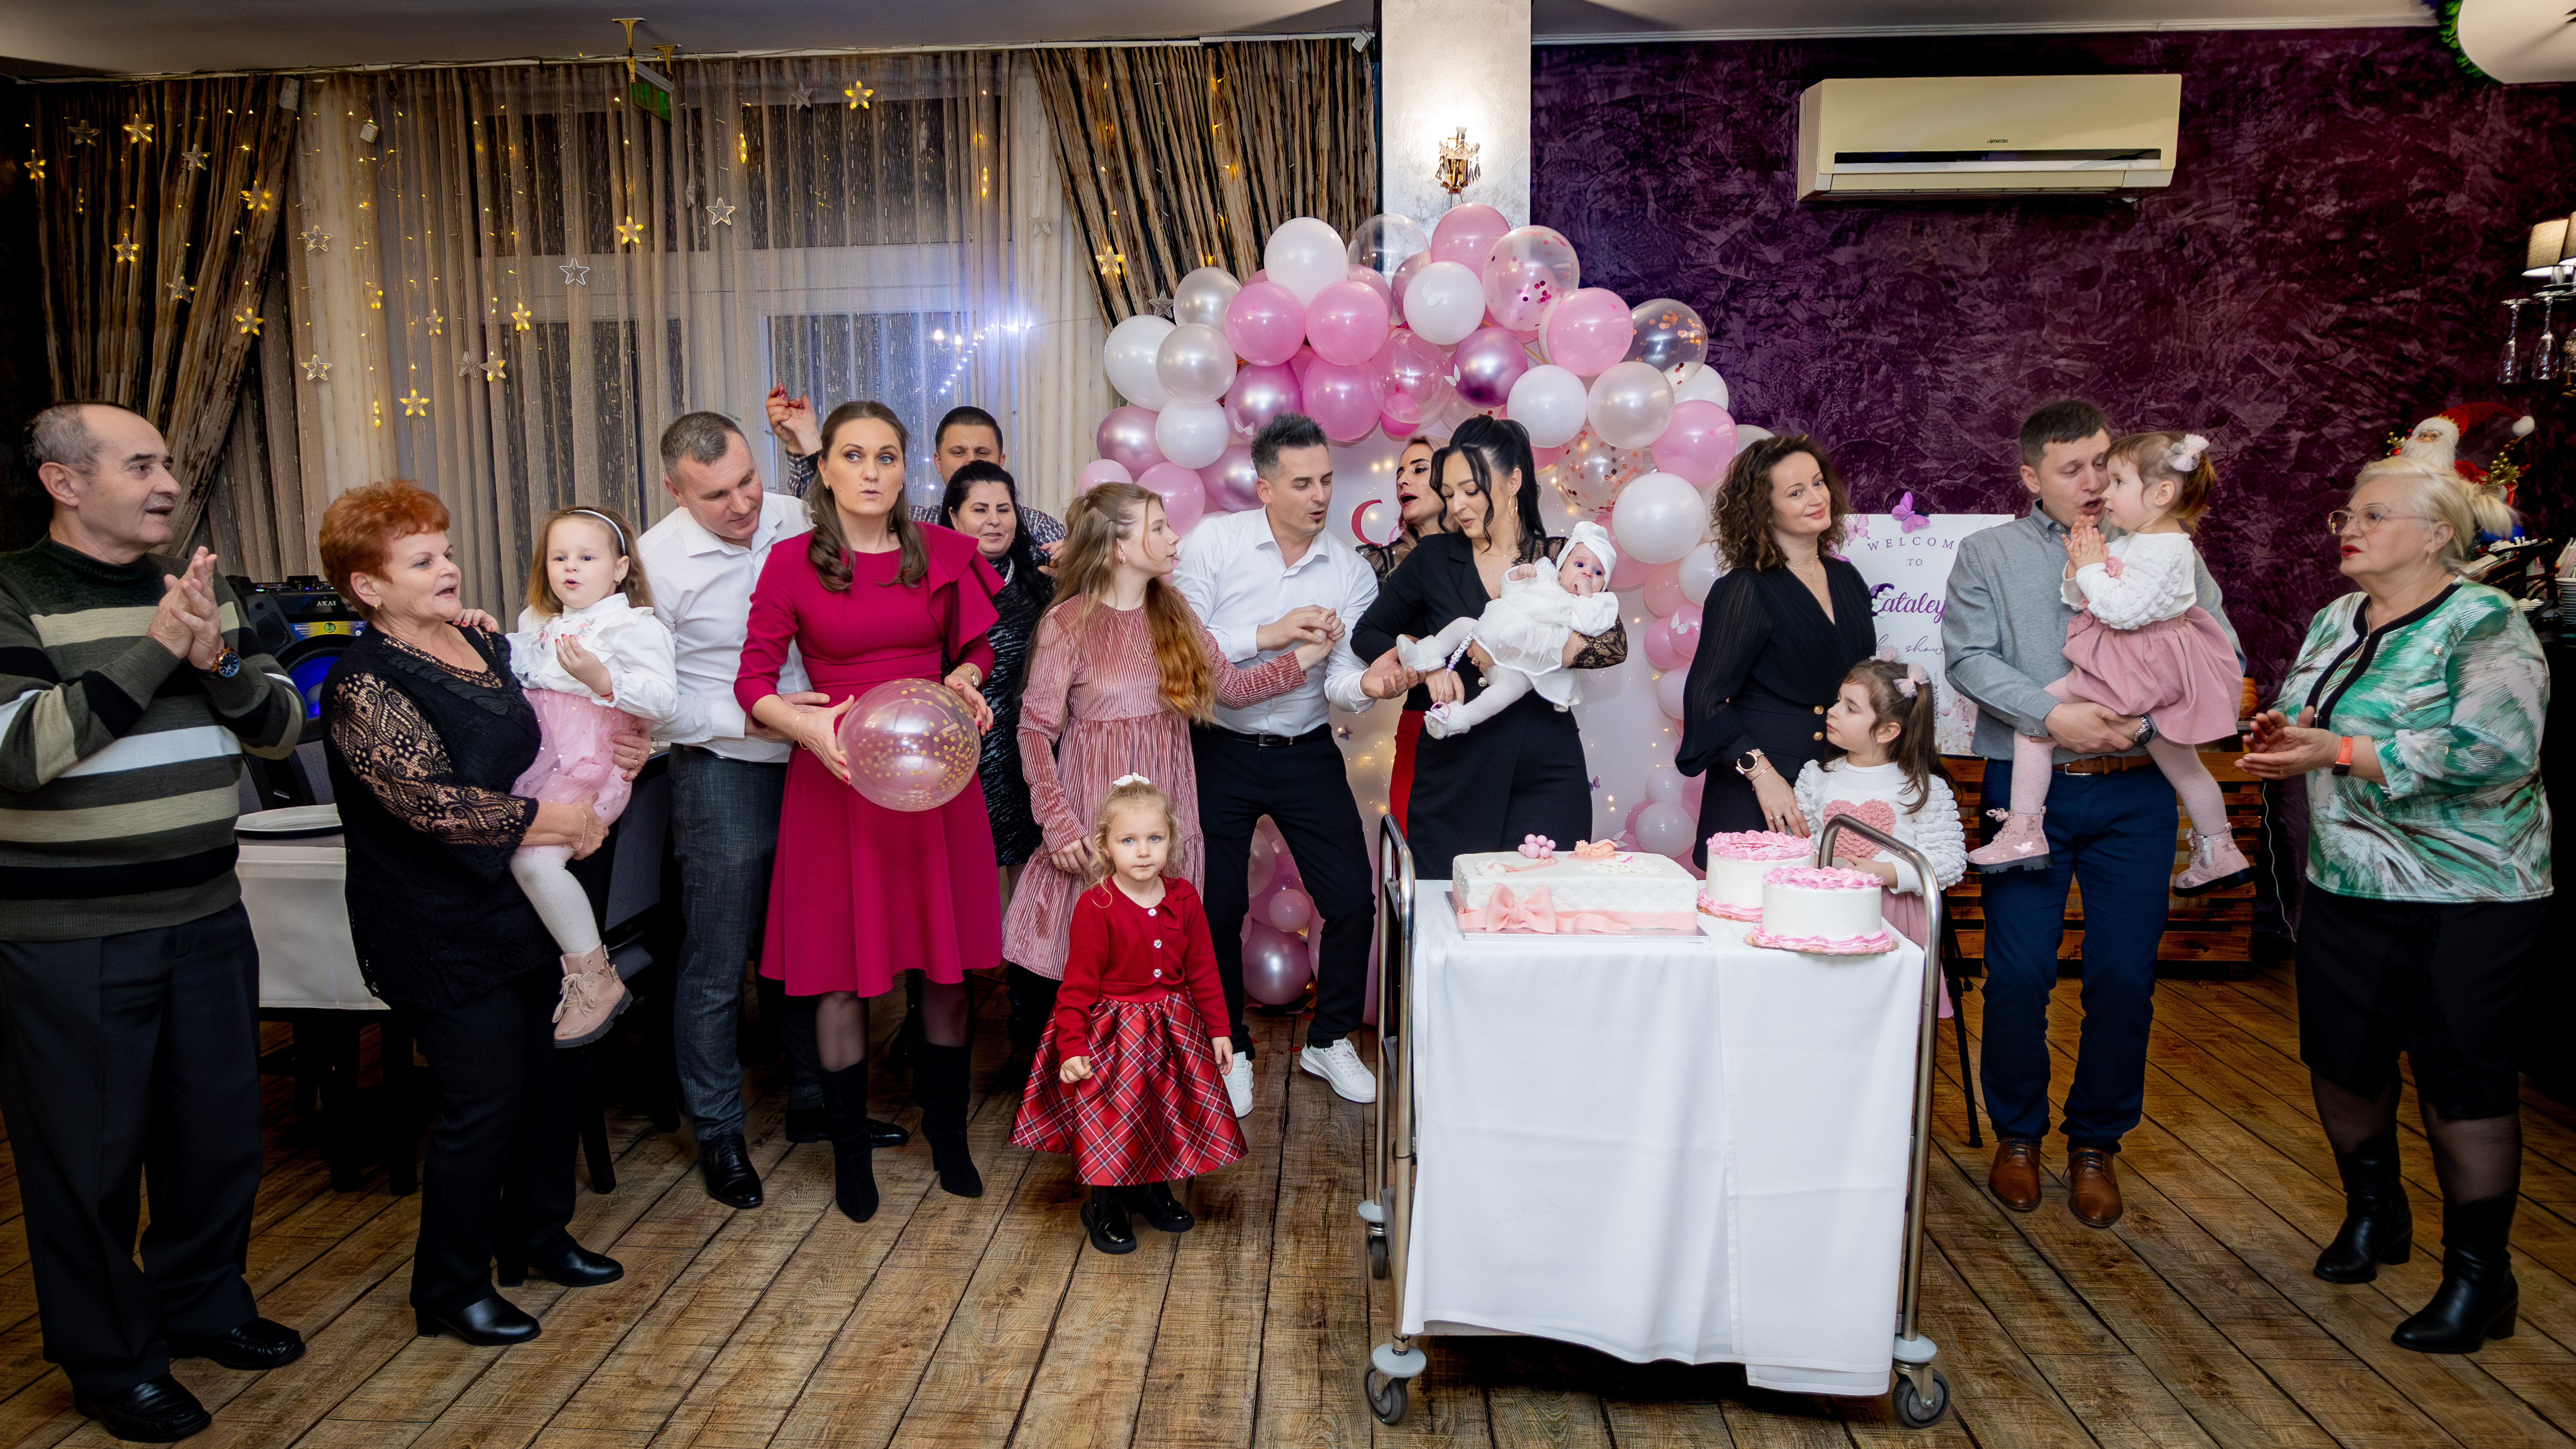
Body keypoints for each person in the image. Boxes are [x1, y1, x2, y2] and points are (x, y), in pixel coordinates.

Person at [0, 401, 307, 1442]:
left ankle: (204, 1304)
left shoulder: (203, 586)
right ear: (64, 481)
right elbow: (21, 753)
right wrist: (155, 649)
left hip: (208, 910)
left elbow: (283, 727)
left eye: (168, 462)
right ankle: (112, 1361)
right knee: (85, 1161)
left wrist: (216, 659)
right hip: (69, 935)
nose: (169, 482)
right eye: (140, 465)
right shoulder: (12, 593)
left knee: (215, 1136)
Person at [318, 480, 638, 1350]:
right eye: (422, 559)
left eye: (447, 550)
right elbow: (430, 803)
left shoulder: (486, 645)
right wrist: (558, 821)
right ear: (369, 586)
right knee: (484, 1098)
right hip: (434, 919)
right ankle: (449, 1288)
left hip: (518, 901)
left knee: (554, 1079)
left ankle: (536, 1236)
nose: (448, 567)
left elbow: (558, 727)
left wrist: (625, 743)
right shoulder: (363, 682)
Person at [2239, 457, 2546, 1355]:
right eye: (2348, 512)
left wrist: (2335, 750)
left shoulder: (2485, 620)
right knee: (2344, 1062)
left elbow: (2497, 749)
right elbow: (2307, 707)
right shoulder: (2336, 617)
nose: (2350, 526)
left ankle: (2481, 1277)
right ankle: (2377, 1214)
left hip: (2469, 891)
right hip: (2347, 880)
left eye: (2375, 514)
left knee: (2462, 1082)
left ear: (2440, 532)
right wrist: (2285, 732)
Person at [1941, 399, 2239, 1231]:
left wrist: (2142, 723)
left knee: (2122, 976)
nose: (2096, 481)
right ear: (2030, 476)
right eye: (2072, 468)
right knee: (2019, 973)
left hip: (2137, 790)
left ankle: (2096, 1143)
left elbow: (2219, 649)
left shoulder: (2166, 547)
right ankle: (2018, 1134)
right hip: (2027, 786)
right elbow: (1967, 658)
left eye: (2105, 463)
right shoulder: (1988, 553)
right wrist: (2053, 715)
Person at [737, 400, 1002, 1225]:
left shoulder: (945, 551)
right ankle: (851, 1155)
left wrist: (964, 678)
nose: (871, 471)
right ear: (823, 469)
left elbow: (978, 646)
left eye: (886, 456)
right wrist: (804, 726)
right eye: (852, 455)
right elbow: (751, 685)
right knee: (839, 978)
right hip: (838, 782)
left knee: (947, 974)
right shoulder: (790, 563)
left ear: (903, 469)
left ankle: (949, 1139)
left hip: (933, 784)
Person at [638, 412, 902, 1214]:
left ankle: (817, 1103)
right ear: (674, 490)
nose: (743, 504)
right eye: (716, 495)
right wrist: (752, 718)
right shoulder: (653, 563)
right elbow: (652, 698)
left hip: (827, 767)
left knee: (809, 945)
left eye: (748, 480)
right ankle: (719, 1131)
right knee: (718, 963)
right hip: (730, 767)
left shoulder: (793, 515)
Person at [1004, 483, 1328, 1108]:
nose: (1174, 536)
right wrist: (1058, 822)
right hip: (1096, 822)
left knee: (1157, 970)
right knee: (1093, 970)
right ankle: (1088, 1113)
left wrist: (1308, 656)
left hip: (1163, 818)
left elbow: (1232, 688)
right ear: (1117, 545)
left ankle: (1149, 1113)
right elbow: (1034, 730)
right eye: (1157, 527)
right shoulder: (1067, 622)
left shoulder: (1172, 609)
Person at [1175, 413, 1414, 1113]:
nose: (1320, 495)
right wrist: (1272, 632)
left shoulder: (1349, 570)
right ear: (1264, 487)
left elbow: (1339, 679)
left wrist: (1369, 686)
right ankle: (1231, 1048)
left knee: (1352, 899)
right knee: (1216, 905)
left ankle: (1329, 1038)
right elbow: (1185, 641)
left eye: (1327, 480)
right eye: (1303, 482)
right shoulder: (1214, 542)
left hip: (1307, 749)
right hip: (1216, 743)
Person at [1967, 432, 2250, 894]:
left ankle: (2024, 831)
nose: (2103, 489)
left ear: (2161, 492)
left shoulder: (2169, 549)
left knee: (2034, 727)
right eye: (2078, 471)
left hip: (2133, 669)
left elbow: (2120, 611)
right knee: (2184, 766)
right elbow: (2084, 598)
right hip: (2142, 669)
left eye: (2117, 480)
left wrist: (2092, 569)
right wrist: (2080, 567)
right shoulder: (2142, 541)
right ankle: (2220, 851)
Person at [1354, 416, 1625, 880]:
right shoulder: (1434, 558)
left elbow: (1611, 641)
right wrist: (1428, 667)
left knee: (1547, 903)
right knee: (1451, 902)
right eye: (1449, 492)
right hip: (1455, 764)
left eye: (1469, 490)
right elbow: (1367, 633)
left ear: (1513, 481)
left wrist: (1514, 647)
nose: (1457, 505)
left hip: (1546, 763)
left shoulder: (1558, 555)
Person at [1011, 775, 1246, 1254]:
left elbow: (1203, 969)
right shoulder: (1096, 904)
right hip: (1112, 1034)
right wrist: (1071, 1046)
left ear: (1171, 841)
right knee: (1112, 1118)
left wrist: (1220, 1030)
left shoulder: (1184, 897)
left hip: (1171, 1028)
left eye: (1155, 838)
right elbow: (1077, 987)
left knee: (1163, 1109)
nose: (1143, 851)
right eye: (1129, 840)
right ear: (1106, 846)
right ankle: (1107, 1202)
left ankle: (1152, 1188)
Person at [504, 505, 676, 1047]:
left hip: (591, 770)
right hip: (538, 767)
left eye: (586, 557)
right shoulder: (536, 623)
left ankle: (593, 974)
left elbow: (664, 699)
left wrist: (602, 678)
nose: (570, 567)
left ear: (620, 568)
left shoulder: (633, 626)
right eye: (559, 557)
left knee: (532, 858)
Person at [1676, 434, 1879, 856]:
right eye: (1796, 492)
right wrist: (1761, 774)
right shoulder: (1744, 588)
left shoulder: (1848, 579)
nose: (1817, 498)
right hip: (1760, 792)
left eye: (1818, 483)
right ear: (1764, 510)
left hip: (1833, 786)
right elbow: (1704, 700)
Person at [941, 460, 1056, 1085]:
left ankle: (1032, 1024)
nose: (993, 521)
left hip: (1032, 755)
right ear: (952, 517)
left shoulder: (1042, 584)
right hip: (959, 761)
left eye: (1003, 508)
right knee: (952, 899)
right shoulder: (934, 584)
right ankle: (934, 1030)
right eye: (978, 509)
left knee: (1036, 893)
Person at [1794, 657, 1966, 975]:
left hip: (1894, 915)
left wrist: (1884, 872)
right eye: (1838, 700)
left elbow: (1949, 861)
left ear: (1887, 730)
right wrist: (1818, 862)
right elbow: (1800, 844)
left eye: (1851, 708)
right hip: (1825, 907)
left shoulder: (1922, 788)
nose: (1833, 711)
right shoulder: (1815, 777)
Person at [1397, 519, 1617, 739]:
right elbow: (1509, 591)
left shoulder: (1596, 605)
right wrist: (1517, 576)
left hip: (1522, 667)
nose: (1587, 574)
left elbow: (1591, 625)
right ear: (1561, 568)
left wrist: (1587, 596)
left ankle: (1457, 719)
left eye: (1598, 573)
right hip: (1491, 635)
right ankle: (1422, 656)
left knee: (1509, 690)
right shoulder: (1544, 574)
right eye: (1579, 565)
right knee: (1463, 624)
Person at [769, 393, 1066, 545]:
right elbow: (828, 509)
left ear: (1001, 462)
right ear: (938, 462)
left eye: (982, 453)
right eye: (958, 452)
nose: (971, 462)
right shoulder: (914, 525)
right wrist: (802, 440)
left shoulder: (1039, 527)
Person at [1357, 435, 1447, 833]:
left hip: (1492, 729)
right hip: (1421, 724)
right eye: (1399, 473)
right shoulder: (1381, 563)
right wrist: (1416, 659)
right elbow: (1360, 635)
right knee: (1413, 851)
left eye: (1419, 469)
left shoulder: (1488, 556)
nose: (1403, 480)